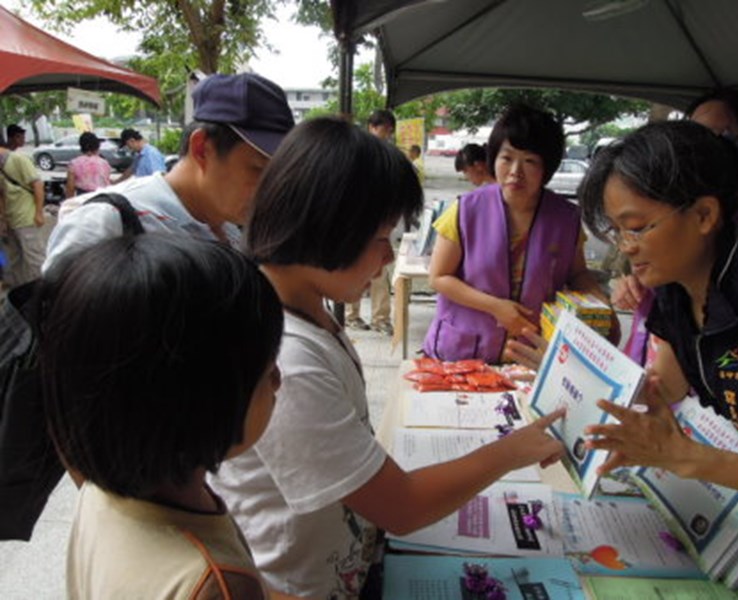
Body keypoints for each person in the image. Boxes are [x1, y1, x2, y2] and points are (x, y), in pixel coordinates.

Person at [210, 117, 566, 599]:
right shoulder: (285, 357)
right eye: (381, 238)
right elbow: (402, 507)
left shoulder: (308, 309)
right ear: (329, 227)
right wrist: (512, 450)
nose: (387, 258)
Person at [579, 121, 738, 595]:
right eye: (617, 231)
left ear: (703, 215)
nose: (625, 248)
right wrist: (573, 380)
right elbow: (665, 388)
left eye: (636, 227)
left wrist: (688, 457)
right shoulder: (674, 285)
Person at [38, 233, 297, 599]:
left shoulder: (103, 491)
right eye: (266, 370)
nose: (278, 381)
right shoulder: (217, 585)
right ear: (202, 404)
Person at [612, 89, 738, 367]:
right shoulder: (679, 216)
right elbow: (661, 388)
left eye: (716, 137)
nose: (696, 149)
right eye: (691, 134)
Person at [423, 104, 616, 365]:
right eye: (507, 158)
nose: (515, 171)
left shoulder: (566, 219)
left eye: (529, 161)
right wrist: (495, 306)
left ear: (546, 167)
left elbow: (578, 274)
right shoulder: (464, 210)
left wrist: (600, 304)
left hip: (531, 354)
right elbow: (439, 277)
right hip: (464, 352)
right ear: (494, 159)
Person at [44, 72, 295, 272]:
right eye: (259, 170)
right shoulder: (107, 223)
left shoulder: (228, 230)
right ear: (202, 149)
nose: (270, 189)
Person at [346, 109, 397, 335]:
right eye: (382, 128)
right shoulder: (357, 152)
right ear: (371, 127)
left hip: (379, 220)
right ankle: (351, 315)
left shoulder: (389, 155)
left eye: (388, 129)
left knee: (381, 271)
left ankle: (380, 318)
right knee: (354, 268)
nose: (385, 133)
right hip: (357, 221)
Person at [0, 142, 46, 288]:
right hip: (11, 220)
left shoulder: (18, 159)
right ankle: (19, 290)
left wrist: (39, 213)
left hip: (26, 218)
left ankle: (42, 292)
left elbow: (37, 185)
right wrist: (3, 219)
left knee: (34, 259)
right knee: (12, 259)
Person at [65, 132, 112, 198]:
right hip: (103, 198)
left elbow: (70, 188)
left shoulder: (74, 164)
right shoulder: (104, 163)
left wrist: (69, 203)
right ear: (97, 146)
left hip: (83, 198)